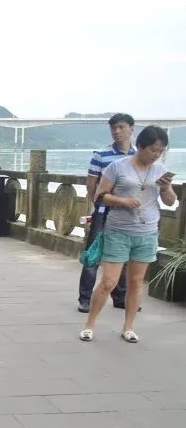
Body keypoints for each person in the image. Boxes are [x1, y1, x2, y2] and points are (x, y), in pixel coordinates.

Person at [81, 125, 174, 343]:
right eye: (153, 150)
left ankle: (128, 327)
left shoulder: (160, 170)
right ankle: (89, 324)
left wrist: (166, 188)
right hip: (118, 231)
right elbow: (100, 196)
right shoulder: (117, 167)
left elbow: (170, 201)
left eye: (160, 151)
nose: (156, 155)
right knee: (109, 282)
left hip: (147, 232)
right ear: (140, 146)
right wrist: (123, 201)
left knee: (136, 282)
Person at [78, 113, 136, 313]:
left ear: (131, 129)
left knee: (123, 255)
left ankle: (120, 297)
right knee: (93, 254)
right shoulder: (101, 155)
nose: (116, 131)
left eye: (121, 127)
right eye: (113, 128)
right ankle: (85, 298)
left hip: (128, 214)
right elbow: (91, 184)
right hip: (103, 212)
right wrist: (98, 205)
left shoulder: (138, 155)